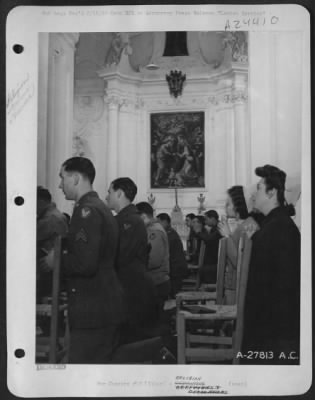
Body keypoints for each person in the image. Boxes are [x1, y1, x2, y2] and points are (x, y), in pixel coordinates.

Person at [43, 157, 125, 363]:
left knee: (82, 374)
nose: (60, 185)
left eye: (63, 178)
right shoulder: (99, 207)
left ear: (76, 178)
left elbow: (85, 263)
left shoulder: (86, 211)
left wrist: (56, 260)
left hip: (92, 311)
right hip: (103, 306)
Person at [241, 165, 300, 365]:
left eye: (258, 188)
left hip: (272, 333)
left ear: (272, 192)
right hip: (264, 324)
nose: (254, 194)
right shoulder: (271, 225)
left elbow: (284, 289)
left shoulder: (281, 228)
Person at [106, 177, 158, 343]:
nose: (107, 196)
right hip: (129, 286)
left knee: (130, 343)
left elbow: (120, 255)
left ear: (119, 193)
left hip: (132, 289)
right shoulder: (126, 219)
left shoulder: (129, 220)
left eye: (110, 192)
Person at [217, 185, 259, 304]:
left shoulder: (250, 225)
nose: (225, 207)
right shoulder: (243, 225)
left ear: (238, 206)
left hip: (238, 284)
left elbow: (239, 261)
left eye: (228, 203)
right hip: (232, 282)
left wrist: (227, 236)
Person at [135, 202, 170, 317]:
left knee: (152, 320)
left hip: (156, 282)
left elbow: (153, 260)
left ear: (144, 217)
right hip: (154, 281)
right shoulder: (151, 229)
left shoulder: (154, 231)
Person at [37, 186, 68, 299]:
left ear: (40, 202)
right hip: (54, 269)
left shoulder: (50, 219)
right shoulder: (55, 215)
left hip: (49, 271)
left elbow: (28, 238)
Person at [157, 213, 188, 297]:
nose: (157, 225)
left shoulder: (170, 234)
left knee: (173, 294)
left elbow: (164, 251)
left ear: (165, 221)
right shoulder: (169, 232)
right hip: (174, 267)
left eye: (159, 222)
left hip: (175, 268)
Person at [195, 210, 222, 284]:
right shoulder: (213, 228)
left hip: (215, 262)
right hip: (211, 261)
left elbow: (209, 240)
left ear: (213, 219)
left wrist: (198, 232)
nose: (205, 221)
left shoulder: (220, 228)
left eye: (206, 219)